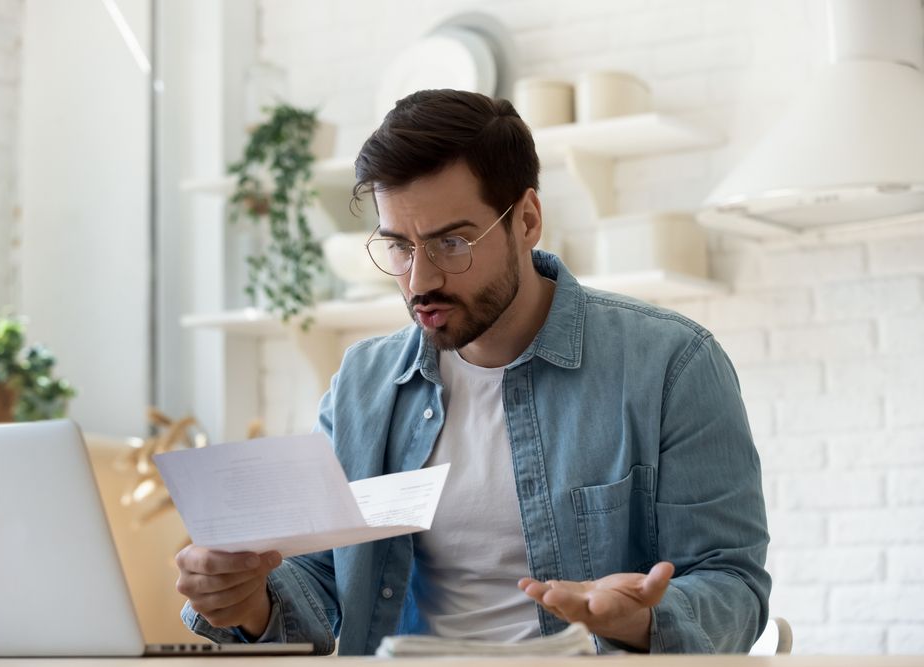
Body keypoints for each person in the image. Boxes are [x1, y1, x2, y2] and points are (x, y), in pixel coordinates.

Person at [175, 89, 771, 655]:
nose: (419, 281)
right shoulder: (363, 383)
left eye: (452, 243)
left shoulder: (671, 366)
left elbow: (733, 586)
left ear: (528, 219)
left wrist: (642, 622)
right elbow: (322, 578)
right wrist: (248, 600)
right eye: (400, 247)